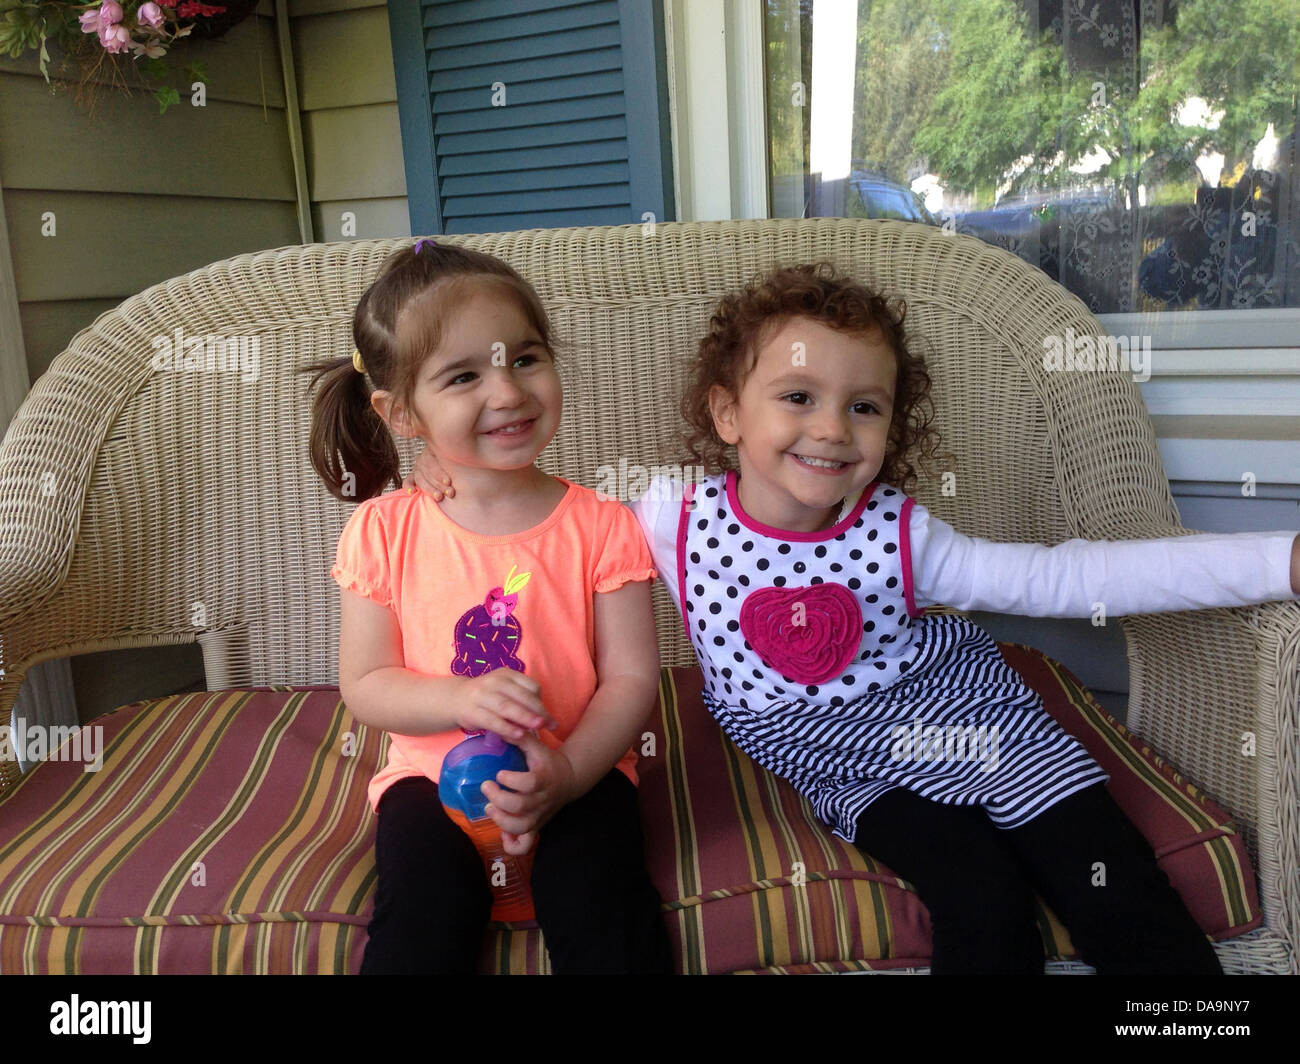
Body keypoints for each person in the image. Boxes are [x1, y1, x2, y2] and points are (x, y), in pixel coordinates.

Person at [410, 261, 1300, 975]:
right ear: (728, 411)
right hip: (834, 760)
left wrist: (1275, 558)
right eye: (797, 397)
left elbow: (1067, 579)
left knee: (1111, 882)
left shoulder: (904, 534)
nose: (832, 428)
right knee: (979, 898)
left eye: (863, 405)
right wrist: (449, 478)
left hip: (971, 721)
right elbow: (549, 532)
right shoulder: (666, 517)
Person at [304, 238, 672, 975]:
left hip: (577, 770)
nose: (506, 393)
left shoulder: (603, 526)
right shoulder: (384, 531)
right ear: (402, 411)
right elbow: (366, 685)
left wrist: (566, 775)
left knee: (606, 912)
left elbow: (632, 679)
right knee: (419, 923)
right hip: (429, 785)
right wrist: (461, 697)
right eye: (464, 375)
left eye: (525, 359)